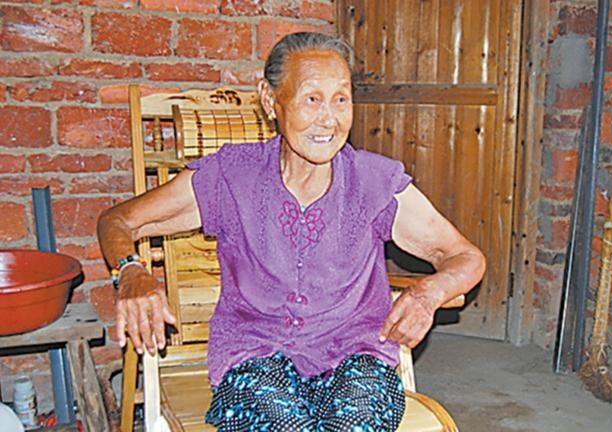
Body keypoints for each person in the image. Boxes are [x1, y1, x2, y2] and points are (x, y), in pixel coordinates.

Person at [97, 32, 486, 432]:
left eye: (341, 99)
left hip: (356, 356)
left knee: (355, 422)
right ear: (270, 100)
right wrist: (131, 272)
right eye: (311, 99)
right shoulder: (232, 177)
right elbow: (118, 221)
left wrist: (428, 294)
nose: (329, 119)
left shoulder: (374, 182)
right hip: (255, 357)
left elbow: (466, 257)